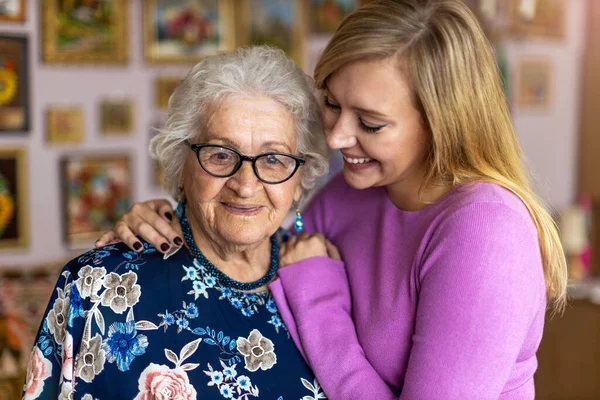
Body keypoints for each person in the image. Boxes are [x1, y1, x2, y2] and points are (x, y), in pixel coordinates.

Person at [95, 0, 568, 398]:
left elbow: (303, 277)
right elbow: (262, 248)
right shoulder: (352, 193)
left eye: (371, 123)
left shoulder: (487, 232)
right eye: (332, 103)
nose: (338, 138)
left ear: (441, 123)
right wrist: (169, 219)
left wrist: (318, 297)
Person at [23, 46, 332, 400]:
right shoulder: (97, 288)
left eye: (274, 159)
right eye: (220, 155)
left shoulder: (326, 277)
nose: (246, 185)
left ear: (299, 180)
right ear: (181, 165)